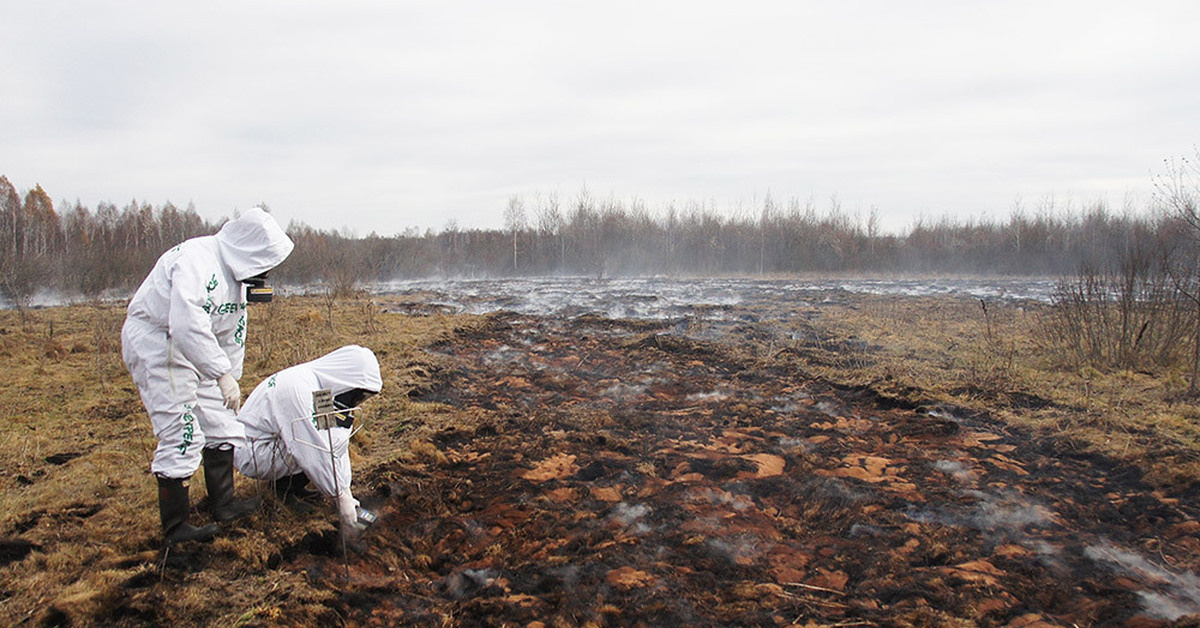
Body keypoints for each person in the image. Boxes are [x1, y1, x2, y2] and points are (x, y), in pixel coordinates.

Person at [122, 206, 294, 543]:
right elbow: (186, 324)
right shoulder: (196, 261)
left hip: (199, 349)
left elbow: (232, 332)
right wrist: (220, 373)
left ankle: (224, 504)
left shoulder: (236, 279)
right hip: (161, 344)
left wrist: (229, 377)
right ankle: (176, 528)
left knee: (222, 420)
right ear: (250, 249)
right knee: (182, 429)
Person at [233, 345, 382, 539]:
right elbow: (314, 450)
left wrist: (346, 491)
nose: (359, 400)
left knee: (325, 438)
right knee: (310, 447)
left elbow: (333, 441)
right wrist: (340, 496)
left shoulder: (319, 388)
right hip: (253, 451)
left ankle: (290, 488)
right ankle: (282, 492)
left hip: (270, 442)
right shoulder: (298, 389)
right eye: (360, 395)